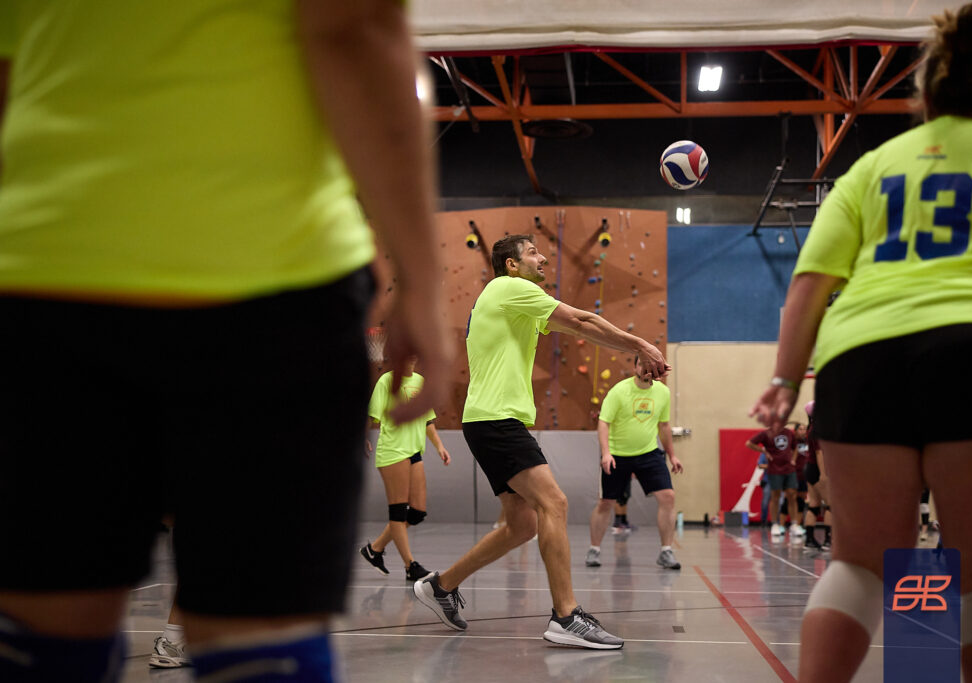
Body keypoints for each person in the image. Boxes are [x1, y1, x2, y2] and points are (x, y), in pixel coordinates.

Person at [0, 2, 452, 682]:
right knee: (264, 649)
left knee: (41, 644)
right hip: (267, 285)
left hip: (48, 277)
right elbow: (354, 28)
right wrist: (418, 278)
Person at [749, 4, 972, 680]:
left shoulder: (872, 168)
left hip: (862, 356)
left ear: (923, 95)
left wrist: (784, 381)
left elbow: (810, 283)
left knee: (859, 565)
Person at [415, 234, 669, 650]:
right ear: (511, 264)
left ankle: (441, 587)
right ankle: (566, 616)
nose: (544, 258)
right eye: (533, 252)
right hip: (497, 420)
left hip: (489, 420)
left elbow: (580, 328)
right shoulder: (509, 288)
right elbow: (583, 320)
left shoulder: (516, 303)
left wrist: (631, 349)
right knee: (554, 503)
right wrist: (641, 344)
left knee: (523, 524)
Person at [585, 355, 684, 570]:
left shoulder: (663, 392)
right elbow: (603, 423)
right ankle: (594, 549)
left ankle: (666, 551)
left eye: (650, 365)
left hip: (648, 453)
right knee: (606, 502)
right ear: (635, 367)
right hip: (617, 454)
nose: (646, 368)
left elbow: (664, 426)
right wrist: (606, 453)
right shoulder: (619, 391)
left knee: (668, 496)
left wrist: (672, 455)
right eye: (642, 364)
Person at [361, 361, 452, 582]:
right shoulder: (387, 381)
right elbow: (371, 414)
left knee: (417, 512)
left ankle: (375, 549)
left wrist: (439, 446)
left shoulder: (420, 382)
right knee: (398, 511)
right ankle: (410, 566)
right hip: (393, 451)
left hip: (414, 451)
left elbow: (427, 419)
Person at [745, 427, 803, 538]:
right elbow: (749, 443)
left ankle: (794, 524)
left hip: (789, 470)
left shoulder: (788, 433)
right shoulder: (766, 433)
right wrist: (763, 451)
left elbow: (795, 447)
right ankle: (774, 524)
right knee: (775, 497)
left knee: (792, 495)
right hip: (775, 470)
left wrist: (793, 459)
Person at [800, 401, 832, 551]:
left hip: (809, 468)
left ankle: (809, 540)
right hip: (818, 469)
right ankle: (828, 541)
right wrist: (824, 475)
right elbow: (819, 453)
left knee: (814, 504)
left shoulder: (811, 427)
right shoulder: (818, 429)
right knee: (831, 506)